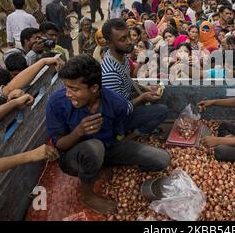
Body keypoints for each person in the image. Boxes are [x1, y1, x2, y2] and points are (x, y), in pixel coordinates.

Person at [46, 55, 170, 214]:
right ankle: (87, 196)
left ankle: (106, 165)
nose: (68, 94)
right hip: (74, 157)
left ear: (94, 88)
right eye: (67, 87)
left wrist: (125, 147)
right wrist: (79, 131)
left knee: (162, 159)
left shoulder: (114, 102)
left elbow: (120, 130)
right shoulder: (57, 102)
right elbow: (60, 145)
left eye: (74, 89)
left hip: (108, 148)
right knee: (94, 147)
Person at [101, 19, 169, 138]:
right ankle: (126, 140)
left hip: (124, 102)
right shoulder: (109, 73)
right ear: (109, 43)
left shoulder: (122, 58)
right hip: (117, 119)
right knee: (162, 111)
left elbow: (128, 82)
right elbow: (118, 110)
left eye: (128, 36)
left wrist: (146, 88)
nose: (129, 41)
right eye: (122, 39)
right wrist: (142, 97)